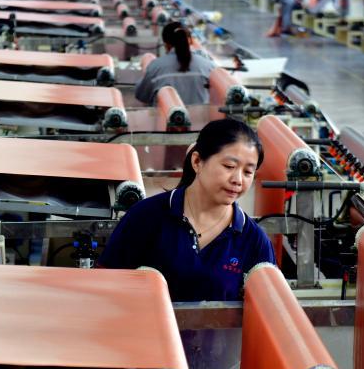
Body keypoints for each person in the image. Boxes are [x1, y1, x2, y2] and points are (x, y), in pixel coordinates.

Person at [97, 118, 276, 302]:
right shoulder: (145, 217)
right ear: (197, 161)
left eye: (248, 172)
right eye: (229, 166)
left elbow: (267, 306)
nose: (238, 180)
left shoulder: (254, 241)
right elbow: (105, 287)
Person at [134, 22, 214, 105]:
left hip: (165, 113)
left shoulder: (156, 66)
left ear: (166, 44)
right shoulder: (208, 66)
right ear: (190, 41)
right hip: (202, 113)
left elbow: (141, 96)